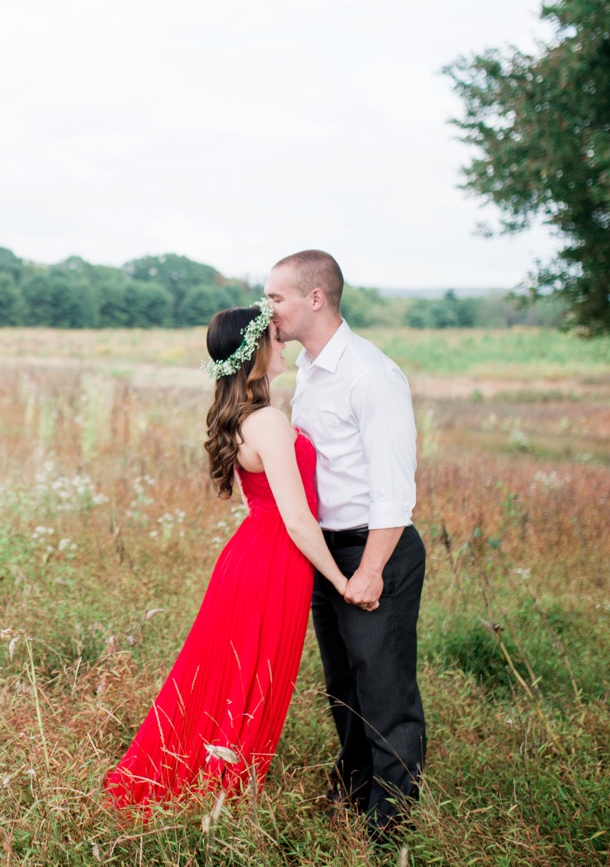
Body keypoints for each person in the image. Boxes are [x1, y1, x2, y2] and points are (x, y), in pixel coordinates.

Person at [104, 300, 375, 812]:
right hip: (274, 560)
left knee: (233, 672)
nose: (284, 342)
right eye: (275, 336)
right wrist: (342, 581)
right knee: (252, 674)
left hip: (254, 554)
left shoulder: (246, 417)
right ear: (254, 352)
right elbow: (296, 518)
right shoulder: (268, 421)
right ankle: (217, 788)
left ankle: (214, 780)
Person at [265, 249, 425, 842]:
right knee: (345, 684)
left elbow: (392, 489)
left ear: (314, 298)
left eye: (276, 297)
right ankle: (356, 791)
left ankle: (393, 825)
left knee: (384, 687)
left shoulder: (369, 374)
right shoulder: (308, 367)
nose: (268, 309)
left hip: (372, 550)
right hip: (328, 554)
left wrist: (372, 570)